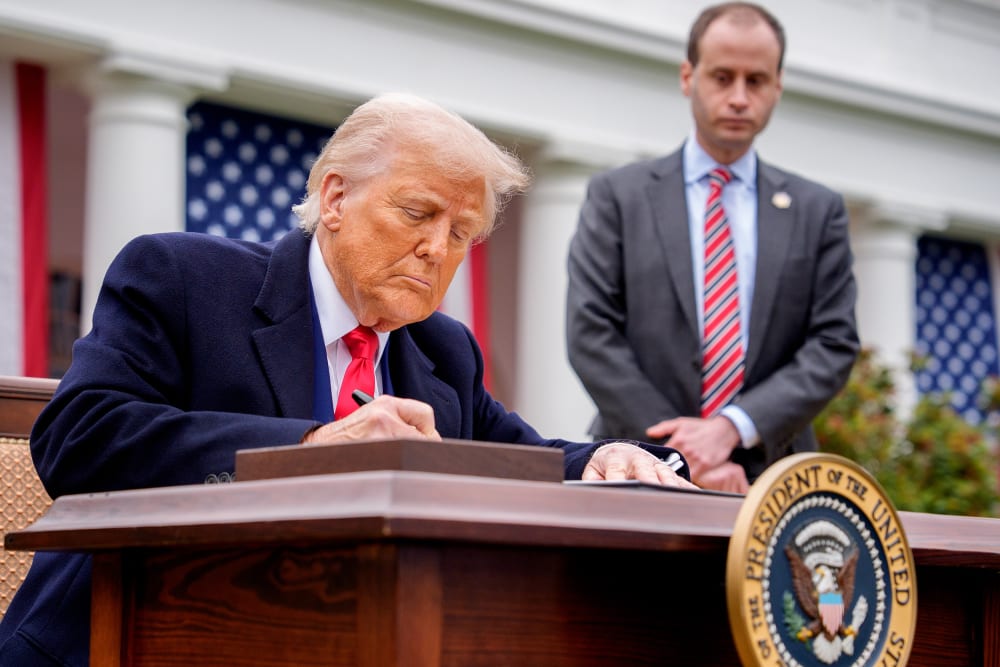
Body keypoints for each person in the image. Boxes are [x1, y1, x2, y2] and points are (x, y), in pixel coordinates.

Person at [0, 92, 694, 666]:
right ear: (334, 197)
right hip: (119, 639)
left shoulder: (442, 352)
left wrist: (605, 457)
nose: (436, 248)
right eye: (419, 213)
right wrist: (311, 447)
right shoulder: (184, 279)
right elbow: (78, 438)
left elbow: (517, 454)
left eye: (462, 233)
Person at [566, 2, 859, 494]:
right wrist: (680, 454)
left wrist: (729, 428)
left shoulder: (818, 210)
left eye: (757, 80)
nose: (739, 98)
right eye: (722, 77)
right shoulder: (618, 196)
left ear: (778, 86)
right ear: (688, 77)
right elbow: (591, 333)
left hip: (772, 478)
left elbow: (832, 344)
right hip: (637, 468)